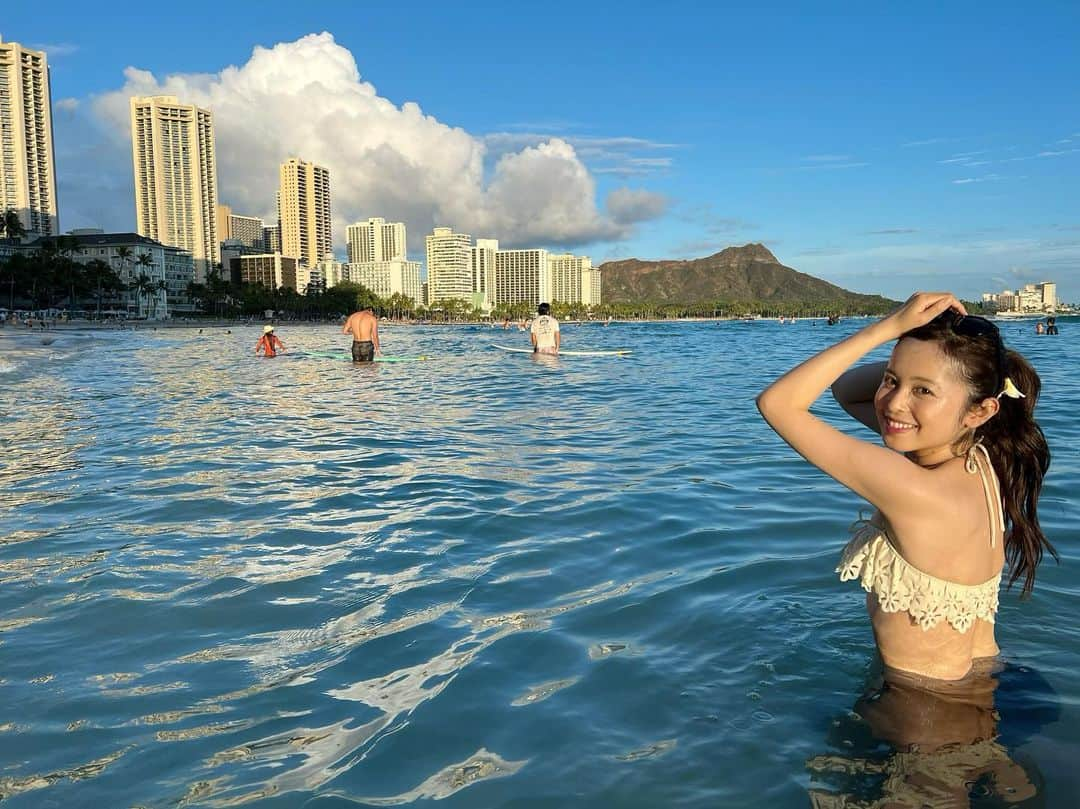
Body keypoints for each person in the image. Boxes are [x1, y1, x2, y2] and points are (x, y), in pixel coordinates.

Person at [757, 292, 1053, 682]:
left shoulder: (915, 490)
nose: (895, 403)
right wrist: (924, 355)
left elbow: (777, 403)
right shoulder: (984, 459)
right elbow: (847, 391)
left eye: (923, 391)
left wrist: (888, 328)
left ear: (980, 410)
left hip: (924, 719)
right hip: (985, 679)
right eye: (892, 381)